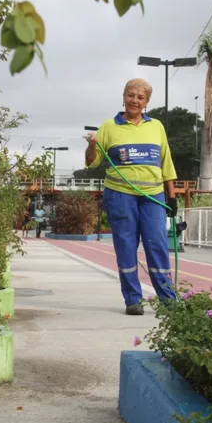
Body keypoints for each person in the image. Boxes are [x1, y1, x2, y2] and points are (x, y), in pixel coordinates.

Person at [84, 78, 178, 315]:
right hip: (120, 196)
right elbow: (92, 162)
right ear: (123, 96)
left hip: (153, 197)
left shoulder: (156, 126)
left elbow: (166, 162)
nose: (135, 100)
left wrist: (172, 196)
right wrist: (92, 145)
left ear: (146, 102)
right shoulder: (109, 126)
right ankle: (133, 299)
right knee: (126, 246)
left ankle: (168, 299)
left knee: (157, 244)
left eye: (140, 97)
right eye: (131, 95)